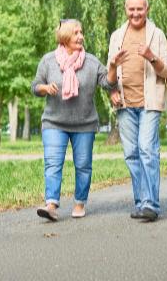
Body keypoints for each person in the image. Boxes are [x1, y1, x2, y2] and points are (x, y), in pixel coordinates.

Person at [31, 19, 116, 221]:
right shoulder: (48, 61)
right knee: (53, 163)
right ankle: (51, 204)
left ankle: (79, 202)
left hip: (84, 124)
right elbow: (35, 85)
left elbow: (108, 82)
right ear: (65, 37)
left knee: (83, 164)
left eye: (81, 32)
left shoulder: (92, 62)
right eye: (76, 33)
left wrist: (113, 67)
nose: (81, 36)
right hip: (54, 122)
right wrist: (45, 88)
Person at [107, 0, 167, 221]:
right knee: (131, 154)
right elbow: (109, 74)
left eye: (140, 9)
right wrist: (112, 90)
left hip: (149, 102)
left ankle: (151, 204)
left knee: (147, 149)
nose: (135, 13)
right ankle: (141, 202)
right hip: (125, 103)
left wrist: (152, 57)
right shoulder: (117, 35)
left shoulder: (156, 35)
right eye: (131, 9)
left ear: (147, 9)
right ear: (126, 9)